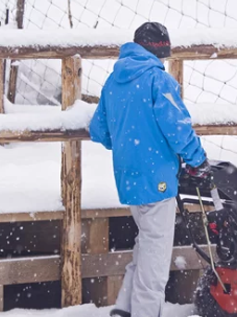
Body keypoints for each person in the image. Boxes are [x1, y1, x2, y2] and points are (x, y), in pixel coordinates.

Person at [89, 22, 211, 317]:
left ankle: (123, 308)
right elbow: (178, 127)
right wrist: (198, 160)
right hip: (156, 179)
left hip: (128, 177)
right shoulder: (158, 80)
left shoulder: (114, 80)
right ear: (159, 51)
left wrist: (128, 145)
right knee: (155, 262)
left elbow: (98, 130)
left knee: (145, 245)